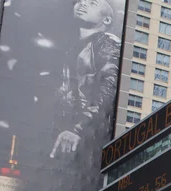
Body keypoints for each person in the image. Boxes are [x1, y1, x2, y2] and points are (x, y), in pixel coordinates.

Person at [51, 0, 122, 162]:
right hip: (69, 136)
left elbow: (109, 88)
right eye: (79, 1)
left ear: (107, 20)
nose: (82, 4)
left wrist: (78, 128)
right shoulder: (75, 47)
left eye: (92, 3)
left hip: (87, 138)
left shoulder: (107, 42)